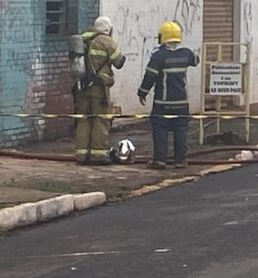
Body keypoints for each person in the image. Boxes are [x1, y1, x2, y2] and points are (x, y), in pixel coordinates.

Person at [138, 21, 199, 169]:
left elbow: (150, 77)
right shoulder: (186, 54)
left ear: (162, 37)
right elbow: (196, 60)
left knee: (160, 129)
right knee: (181, 130)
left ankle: (159, 160)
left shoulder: (159, 56)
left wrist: (142, 92)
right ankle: (181, 160)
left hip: (162, 103)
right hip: (182, 103)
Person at [71, 16, 125, 165]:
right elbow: (119, 62)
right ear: (109, 29)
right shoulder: (105, 40)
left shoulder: (82, 38)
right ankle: (98, 155)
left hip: (81, 87)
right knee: (100, 119)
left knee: (83, 119)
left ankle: (82, 155)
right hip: (99, 88)